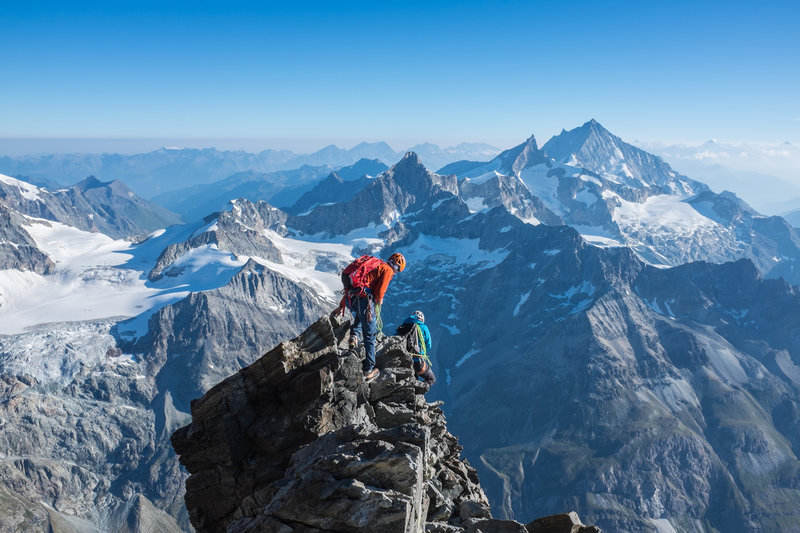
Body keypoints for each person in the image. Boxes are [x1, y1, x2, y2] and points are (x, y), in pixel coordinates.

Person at [340, 252, 406, 381]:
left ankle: (354, 336)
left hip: (352, 299)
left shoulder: (377, 264)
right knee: (370, 335)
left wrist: (341, 305)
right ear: (397, 267)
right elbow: (380, 292)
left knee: (360, 315)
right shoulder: (387, 270)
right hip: (365, 302)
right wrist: (379, 302)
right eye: (397, 270)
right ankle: (368, 369)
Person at [396, 310, 436, 386]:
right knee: (432, 379)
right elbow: (428, 345)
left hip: (404, 361)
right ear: (422, 319)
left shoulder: (403, 327)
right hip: (418, 361)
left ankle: (413, 391)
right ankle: (418, 389)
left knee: (412, 380)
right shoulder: (423, 327)